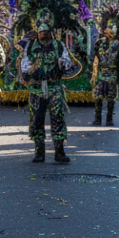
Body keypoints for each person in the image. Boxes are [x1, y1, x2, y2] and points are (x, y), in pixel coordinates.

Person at [20, 13, 75, 164]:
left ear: (51, 33)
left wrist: (62, 64)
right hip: (37, 88)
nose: (44, 34)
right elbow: (24, 67)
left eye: (46, 32)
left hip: (54, 87)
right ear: (37, 33)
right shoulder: (31, 47)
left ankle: (59, 152)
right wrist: (33, 69)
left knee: (57, 118)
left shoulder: (58, 46)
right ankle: (39, 152)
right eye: (41, 32)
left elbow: (67, 63)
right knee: (37, 119)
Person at [92, 13, 119, 127]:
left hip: (112, 74)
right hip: (101, 73)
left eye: (111, 31)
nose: (108, 33)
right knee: (98, 97)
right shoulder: (100, 42)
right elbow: (95, 54)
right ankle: (97, 119)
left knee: (111, 99)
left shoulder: (117, 45)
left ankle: (109, 119)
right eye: (107, 30)